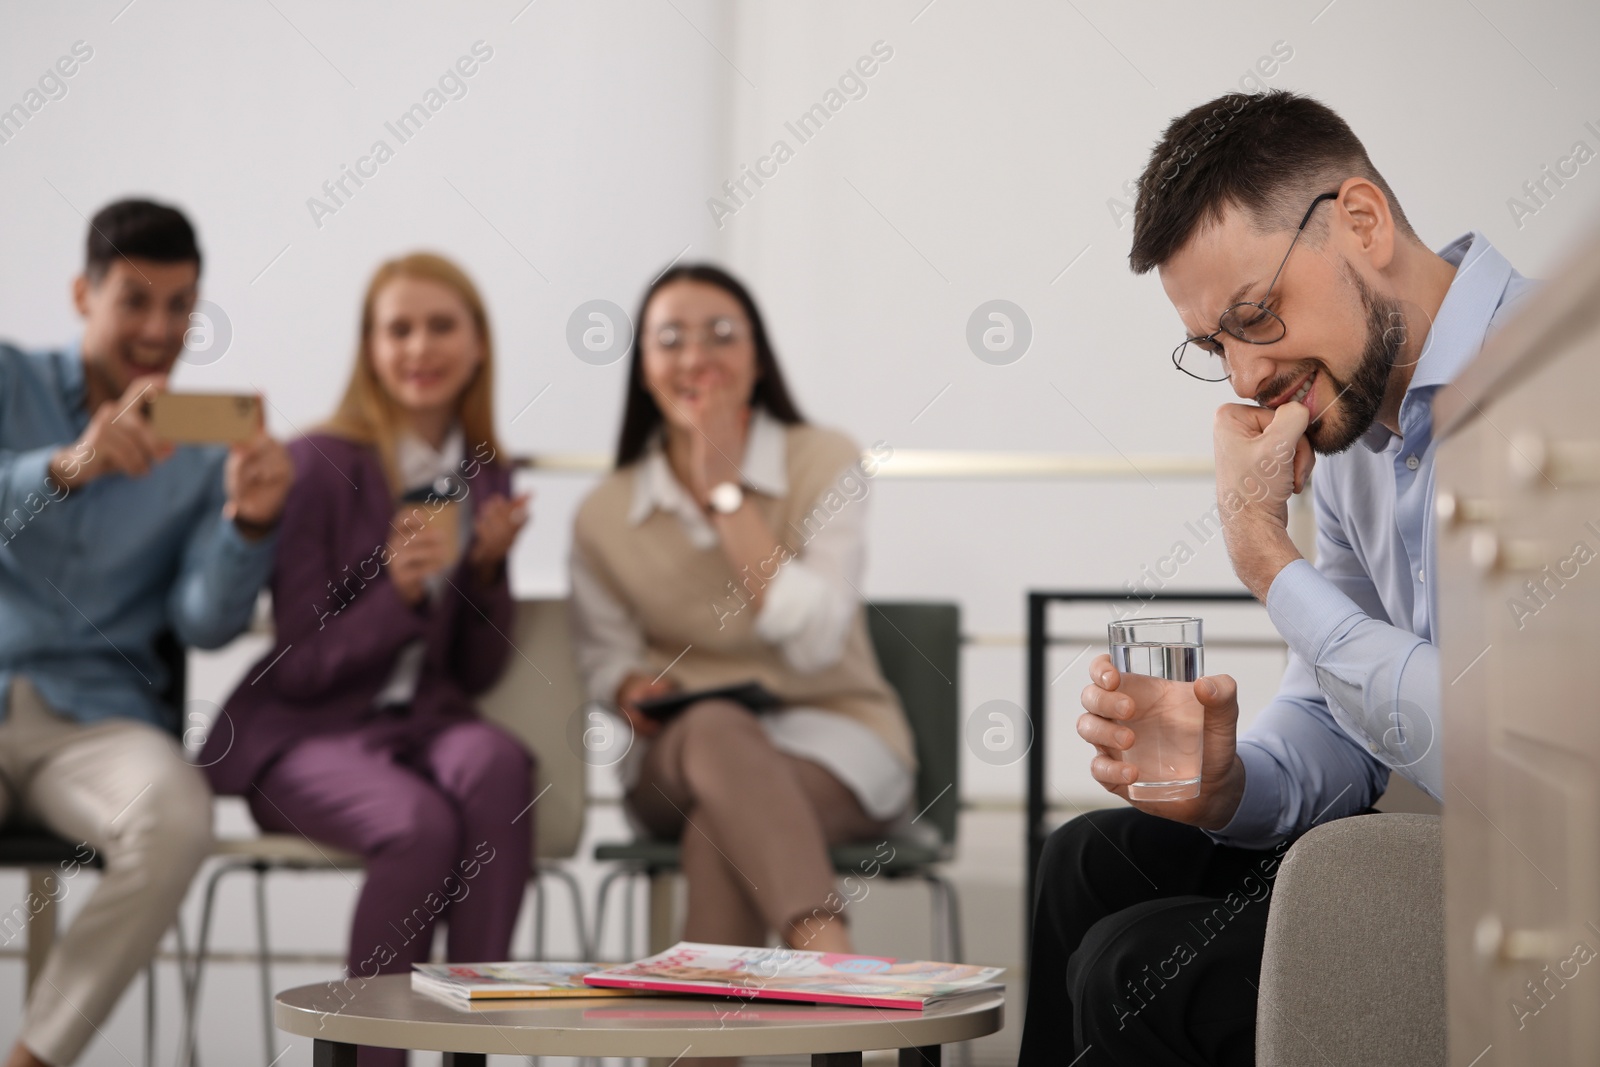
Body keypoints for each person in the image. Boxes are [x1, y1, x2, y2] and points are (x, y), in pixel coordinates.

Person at [1019, 90, 1537, 1066]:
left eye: (1256, 314)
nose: (1246, 377)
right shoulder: (1355, 431)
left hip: (1546, 862)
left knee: (1132, 964)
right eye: (1216, 343)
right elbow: (1342, 726)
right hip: (1449, 832)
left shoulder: (1556, 374)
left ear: (1361, 222)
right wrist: (1227, 783)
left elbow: (1503, 747)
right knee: (1088, 859)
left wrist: (1266, 558)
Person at [202, 253, 533, 1067]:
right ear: (370, 347)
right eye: (399, 328)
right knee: (419, 827)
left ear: (480, 342)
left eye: (441, 325)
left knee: (499, 765)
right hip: (305, 733)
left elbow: (478, 671)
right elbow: (305, 661)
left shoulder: (486, 474)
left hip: (422, 725)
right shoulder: (318, 463)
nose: (420, 346)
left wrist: (487, 573)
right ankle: (369, 1058)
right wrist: (404, 596)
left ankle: (470, 1051)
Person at [0, 199, 293, 1067]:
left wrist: (250, 525)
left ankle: (33, 1059)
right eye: (134, 299)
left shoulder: (204, 455)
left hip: (95, 722)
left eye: (179, 305)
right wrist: (63, 468)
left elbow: (204, 621)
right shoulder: (9, 382)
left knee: (175, 816)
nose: (158, 327)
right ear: (82, 294)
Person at [569, 264, 915, 954]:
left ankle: (703, 1055)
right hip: (677, 755)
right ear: (643, 368)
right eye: (671, 339)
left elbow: (814, 641)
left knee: (723, 830)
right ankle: (831, 959)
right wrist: (627, 686)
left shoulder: (824, 460)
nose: (696, 357)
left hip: (834, 741)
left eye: (721, 335)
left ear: (757, 357)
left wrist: (728, 497)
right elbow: (604, 655)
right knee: (713, 724)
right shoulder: (604, 514)